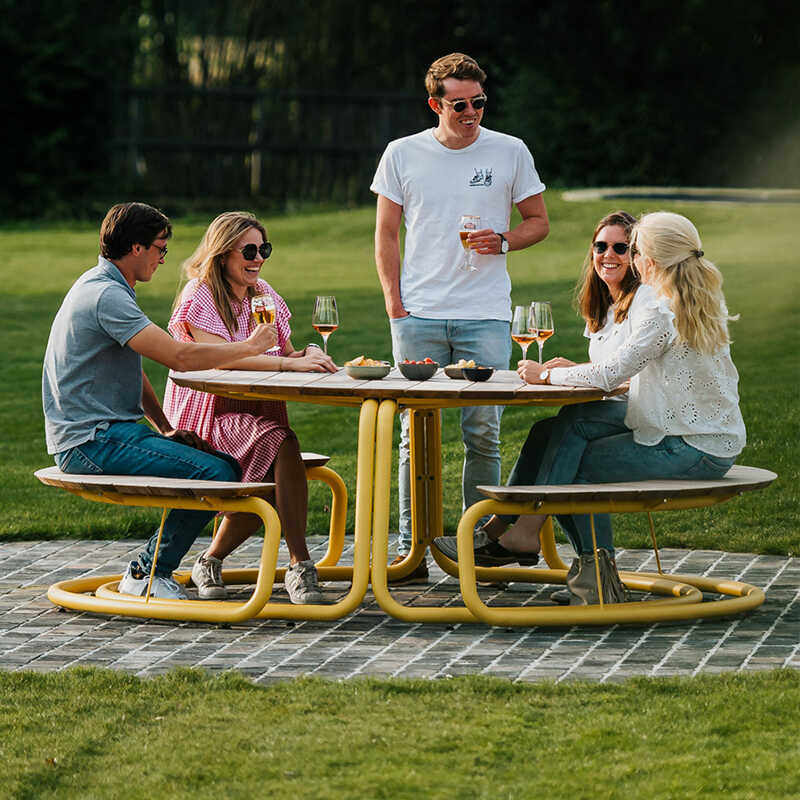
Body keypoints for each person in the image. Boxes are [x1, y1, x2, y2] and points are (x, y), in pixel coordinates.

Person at [437, 211, 746, 605]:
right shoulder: (689, 297)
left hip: (691, 446)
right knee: (557, 429)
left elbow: (610, 373)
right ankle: (520, 533)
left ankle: (594, 579)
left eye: (633, 251)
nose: (630, 259)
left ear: (649, 260)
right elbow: (626, 373)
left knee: (574, 466)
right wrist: (572, 373)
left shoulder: (661, 311)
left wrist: (546, 376)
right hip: (694, 432)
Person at [371, 52, 549, 583]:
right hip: (418, 315)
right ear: (436, 105)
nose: (471, 112)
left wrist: (505, 240)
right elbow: (386, 233)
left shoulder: (510, 150)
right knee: (413, 437)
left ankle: (476, 548)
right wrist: (394, 303)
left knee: (483, 432)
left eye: (479, 102)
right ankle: (411, 551)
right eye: (459, 105)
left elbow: (538, 221)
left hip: (485, 316)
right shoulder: (402, 153)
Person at [42, 202, 276, 599]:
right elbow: (178, 356)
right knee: (216, 473)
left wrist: (165, 428)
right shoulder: (106, 296)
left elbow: (134, 372)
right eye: (160, 248)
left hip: (104, 434)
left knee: (222, 464)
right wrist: (249, 347)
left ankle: (152, 570)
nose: (163, 259)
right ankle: (147, 573)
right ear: (136, 247)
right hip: (91, 441)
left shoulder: (103, 285)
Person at [434, 210, 639, 574]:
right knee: (545, 431)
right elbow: (614, 368)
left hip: (641, 414)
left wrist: (552, 374)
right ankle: (498, 529)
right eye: (600, 246)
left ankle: (524, 534)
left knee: (570, 437)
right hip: (613, 409)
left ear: (636, 255)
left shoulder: (643, 304)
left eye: (620, 248)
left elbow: (628, 378)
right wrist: (575, 368)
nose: (608, 254)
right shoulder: (606, 308)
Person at [162, 211, 337, 604]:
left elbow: (285, 351)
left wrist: (307, 353)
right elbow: (222, 359)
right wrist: (288, 365)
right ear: (223, 253)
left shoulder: (263, 294)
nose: (258, 259)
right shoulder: (200, 295)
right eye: (249, 251)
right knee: (283, 446)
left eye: (264, 249)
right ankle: (300, 566)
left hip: (257, 408)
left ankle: (210, 560)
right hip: (207, 411)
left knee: (279, 471)